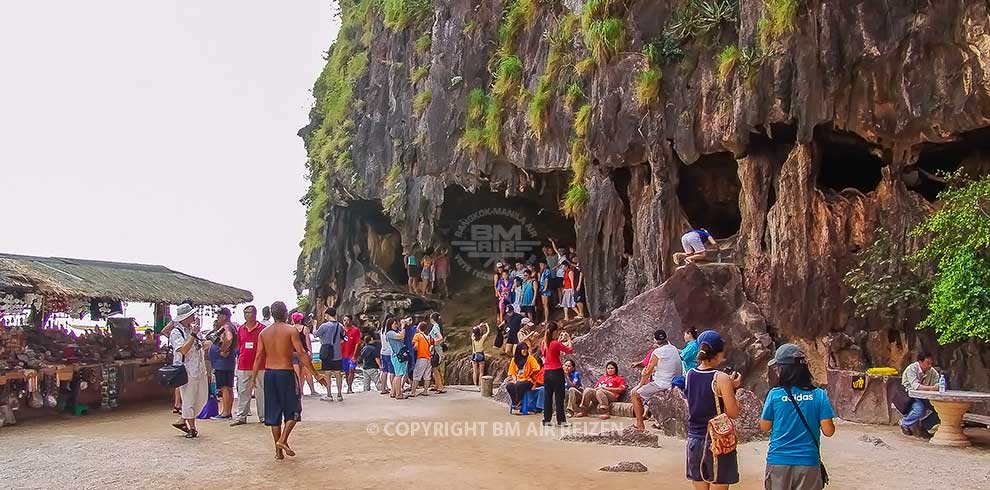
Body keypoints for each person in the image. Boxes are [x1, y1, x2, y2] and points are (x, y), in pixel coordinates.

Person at [250, 301, 327, 460]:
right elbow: (301, 353)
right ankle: (283, 440)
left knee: (273, 413)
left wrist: (253, 378)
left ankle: (278, 452)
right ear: (286, 314)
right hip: (286, 373)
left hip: (270, 374)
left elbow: (258, 357)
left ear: (272, 314)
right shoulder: (291, 330)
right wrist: (316, 374)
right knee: (294, 410)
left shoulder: (263, 333)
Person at [760, 344, 835, 490]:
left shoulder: (774, 395)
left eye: (777, 367)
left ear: (783, 369)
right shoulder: (819, 395)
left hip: (778, 461)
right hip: (808, 462)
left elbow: (765, 426)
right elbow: (829, 431)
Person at [685, 330, 741, 489]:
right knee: (719, 482)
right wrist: (732, 388)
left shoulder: (689, 374)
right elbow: (733, 412)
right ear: (719, 354)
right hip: (717, 440)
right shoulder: (721, 377)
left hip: (694, 439)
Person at [169, 304, 207, 438]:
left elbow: (202, 345)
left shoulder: (193, 330)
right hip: (186, 370)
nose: (193, 317)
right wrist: (193, 335)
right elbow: (183, 349)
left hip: (199, 368)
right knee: (189, 399)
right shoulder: (176, 332)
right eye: (191, 315)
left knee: (202, 397)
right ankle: (192, 427)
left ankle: (183, 419)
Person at [632, 329, 683, 429]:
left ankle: (639, 424)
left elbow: (647, 371)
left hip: (662, 384)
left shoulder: (657, 352)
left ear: (655, 340)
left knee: (634, 393)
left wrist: (640, 385)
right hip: (675, 382)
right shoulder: (673, 348)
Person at [231, 305, 266, 427]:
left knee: (261, 391)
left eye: (249, 313)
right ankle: (241, 416)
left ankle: (263, 416)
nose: (247, 315)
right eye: (245, 313)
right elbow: (240, 346)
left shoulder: (262, 329)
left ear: (255, 314)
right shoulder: (241, 329)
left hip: (261, 365)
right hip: (243, 365)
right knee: (243, 391)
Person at [899, 351, 941, 438]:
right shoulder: (912, 369)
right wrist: (932, 388)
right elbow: (916, 386)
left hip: (925, 396)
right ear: (920, 362)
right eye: (927, 363)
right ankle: (904, 423)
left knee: (940, 409)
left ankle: (925, 425)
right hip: (910, 395)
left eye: (931, 363)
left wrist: (938, 386)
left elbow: (938, 382)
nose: (930, 366)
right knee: (919, 409)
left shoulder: (932, 371)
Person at [540, 322, 573, 426]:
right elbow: (569, 350)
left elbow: (550, 351)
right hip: (556, 372)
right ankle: (561, 421)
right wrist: (568, 339)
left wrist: (559, 341)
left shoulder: (543, 343)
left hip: (547, 372)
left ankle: (547, 419)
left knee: (548, 396)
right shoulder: (555, 343)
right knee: (559, 396)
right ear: (554, 331)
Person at [207, 307, 237, 420]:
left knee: (224, 387)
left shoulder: (226, 327)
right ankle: (227, 411)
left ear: (224, 316)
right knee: (228, 387)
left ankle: (225, 412)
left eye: (218, 316)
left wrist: (223, 350)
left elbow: (228, 338)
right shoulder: (229, 326)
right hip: (226, 362)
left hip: (222, 363)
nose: (217, 318)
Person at [315, 308, 346, 402]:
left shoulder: (324, 326)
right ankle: (340, 395)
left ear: (328, 315)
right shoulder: (340, 326)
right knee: (338, 374)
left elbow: (315, 334)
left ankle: (329, 394)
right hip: (337, 353)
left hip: (327, 353)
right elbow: (343, 337)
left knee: (327, 373)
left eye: (325, 315)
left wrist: (314, 325)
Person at [505, 343, 541, 414]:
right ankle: (516, 403)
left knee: (519, 385)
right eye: (523, 349)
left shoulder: (530, 358)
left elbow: (537, 368)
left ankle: (518, 404)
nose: (525, 351)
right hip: (518, 379)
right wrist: (515, 380)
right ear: (519, 350)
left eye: (526, 349)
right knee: (509, 386)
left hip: (529, 380)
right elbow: (512, 372)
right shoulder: (514, 360)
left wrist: (530, 375)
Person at [290, 312, 316, 396]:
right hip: (303, 353)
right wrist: (310, 353)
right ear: (301, 320)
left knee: (296, 374)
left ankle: (299, 392)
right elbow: (308, 342)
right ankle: (312, 391)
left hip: (293, 353)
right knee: (307, 372)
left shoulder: (290, 329)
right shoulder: (305, 329)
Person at [386, 319, 409, 399]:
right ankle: (399, 394)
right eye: (395, 324)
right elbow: (401, 336)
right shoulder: (390, 333)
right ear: (390, 325)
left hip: (398, 355)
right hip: (397, 356)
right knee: (398, 375)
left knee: (398, 374)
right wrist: (403, 326)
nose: (396, 325)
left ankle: (393, 392)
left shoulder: (393, 332)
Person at [410, 322, 433, 397]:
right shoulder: (428, 337)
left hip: (421, 358)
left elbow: (416, 346)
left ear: (419, 328)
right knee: (427, 375)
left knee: (416, 375)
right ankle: (425, 391)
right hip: (428, 358)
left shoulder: (417, 335)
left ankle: (413, 392)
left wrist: (413, 349)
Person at [341, 315, 362, 394]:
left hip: (351, 354)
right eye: (344, 320)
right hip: (343, 354)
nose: (346, 322)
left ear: (351, 321)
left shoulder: (355, 330)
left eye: (347, 320)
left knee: (352, 370)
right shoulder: (341, 330)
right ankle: (348, 385)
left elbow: (358, 343)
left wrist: (355, 355)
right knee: (346, 372)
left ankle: (349, 387)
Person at [428, 313, 446, 394]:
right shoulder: (437, 326)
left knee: (435, 369)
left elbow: (440, 338)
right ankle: (437, 385)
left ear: (432, 319)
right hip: (437, 351)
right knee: (434, 368)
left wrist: (433, 344)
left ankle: (440, 386)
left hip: (436, 351)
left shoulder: (435, 327)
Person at [378, 318, 395, 395]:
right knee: (392, 371)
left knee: (384, 371)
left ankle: (383, 388)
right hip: (390, 352)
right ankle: (393, 388)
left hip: (383, 352)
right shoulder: (390, 332)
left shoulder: (382, 330)